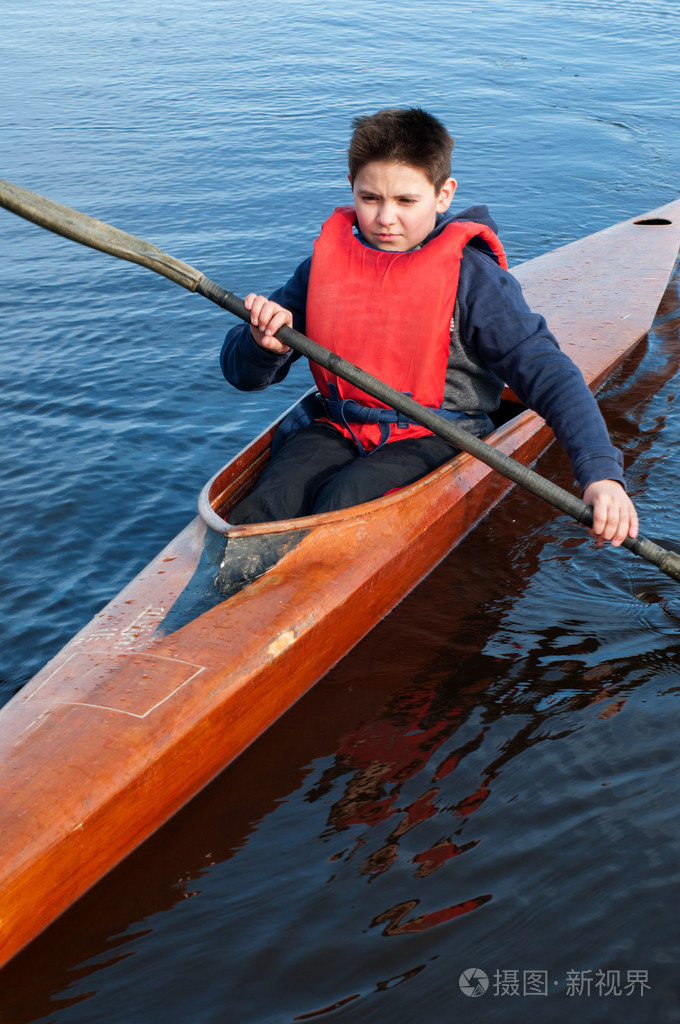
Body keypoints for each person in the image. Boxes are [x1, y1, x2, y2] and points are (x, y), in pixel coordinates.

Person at [221, 107, 637, 547]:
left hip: (438, 434)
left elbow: (549, 375)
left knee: (341, 502)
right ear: (352, 189)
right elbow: (242, 376)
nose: (385, 218)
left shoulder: (473, 280)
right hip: (338, 425)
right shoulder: (322, 268)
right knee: (263, 509)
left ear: (443, 195)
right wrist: (261, 344)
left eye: (405, 201)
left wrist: (601, 475)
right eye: (370, 199)